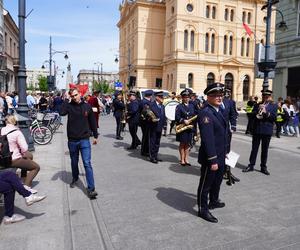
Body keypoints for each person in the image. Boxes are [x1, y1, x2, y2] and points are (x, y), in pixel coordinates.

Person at [60, 88, 98, 199]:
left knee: (87, 163)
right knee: (74, 161)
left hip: (84, 139)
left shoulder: (87, 106)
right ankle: (75, 177)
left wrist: (95, 135)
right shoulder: (69, 105)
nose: (74, 97)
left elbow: (92, 121)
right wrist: (66, 100)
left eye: (76, 95)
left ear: (80, 94)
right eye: (72, 96)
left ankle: (91, 189)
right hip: (72, 140)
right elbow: (61, 112)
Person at [197, 83, 227, 223]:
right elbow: (208, 139)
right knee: (206, 184)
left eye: (221, 95)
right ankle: (203, 209)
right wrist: (213, 160)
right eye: (215, 95)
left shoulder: (218, 110)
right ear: (208, 97)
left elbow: (223, 134)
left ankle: (214, 200)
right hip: (212, 156)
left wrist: (225, 152)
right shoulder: (206, 113)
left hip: (221, 154)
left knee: (218, 181)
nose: (219, 98)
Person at [1, 115, 41, 193]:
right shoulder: (17, 132)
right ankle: (26, 187)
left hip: (3, 158)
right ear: (15, 122)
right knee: (36, 167)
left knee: (29, 156)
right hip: (13, 159)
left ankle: (23, 178)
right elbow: (25, 148)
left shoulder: (2, 130)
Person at [243, 89, 277, 175]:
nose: (265, 98)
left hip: (267, 130)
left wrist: (266, 113)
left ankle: (263, 167)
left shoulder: (273, 106)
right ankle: (251, 165)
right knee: (254, 149)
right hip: (257, 130)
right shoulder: (258, 105)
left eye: (267, 96)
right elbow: (252, 115)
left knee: (264, 150)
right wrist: (257, 110)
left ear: (270, 97)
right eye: (264, 96)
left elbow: (274, 118)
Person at [220, 88, 240, 185]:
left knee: (227, 150)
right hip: (217, 131)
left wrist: (233, 126)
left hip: (227, 131)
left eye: (223, 93)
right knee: (218, 150)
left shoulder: (230, 102)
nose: (223, 95)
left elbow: (233, 114)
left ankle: (227, 171)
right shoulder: (215, 102)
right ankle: (219, 170)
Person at [175, 89, 195, 166]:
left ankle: (186, 159)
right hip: (182, 128)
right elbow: (177, 117)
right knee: (182, 144)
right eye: (185, 97)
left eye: (188, 97)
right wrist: (183, 120)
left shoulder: (192, 106)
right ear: (182, 98)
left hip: (189, 128)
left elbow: (194, 114)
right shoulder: (179, 106)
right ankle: (182, 159)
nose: (186, 98)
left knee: (188, 144)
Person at [149, 91, 166, 164]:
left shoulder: (162, 106)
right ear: (156, 97)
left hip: (160, 126)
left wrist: (164, 125)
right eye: (161, 97)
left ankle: (156, 155)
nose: (162, 98)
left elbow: (163, 116)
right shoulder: (152, 105)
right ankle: (152, 157)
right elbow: (152, 115)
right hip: (153, 126)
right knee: (152, 142)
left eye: (162, 97)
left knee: (157, 142)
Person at [139, 89, 153, 156]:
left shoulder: (144, 101)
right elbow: (146, 112)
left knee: (146, 136)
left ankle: (145, 150)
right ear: (150, 96)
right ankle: (144, 151)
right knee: (146, 136)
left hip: (145, 121)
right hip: (145, 122)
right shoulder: (145, 102)